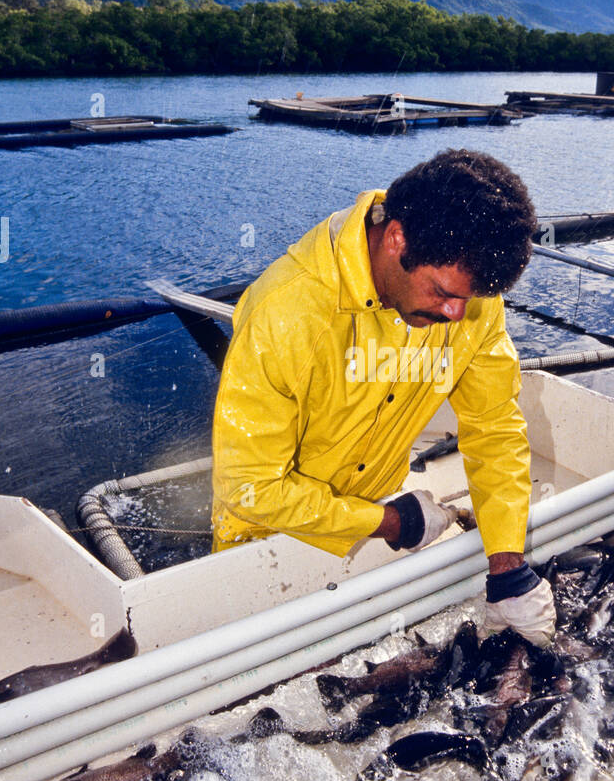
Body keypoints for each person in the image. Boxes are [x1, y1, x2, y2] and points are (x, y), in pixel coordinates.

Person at [211, 148, 555, 646]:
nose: (458, 315)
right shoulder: (285, 312)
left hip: (372, 517)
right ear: (397, 238)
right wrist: (395, 521)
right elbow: (250, 490)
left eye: (470, 298)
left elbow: (495, 428)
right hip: (266, 541)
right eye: (442, 292)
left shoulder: (469, 296)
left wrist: (508, 570)